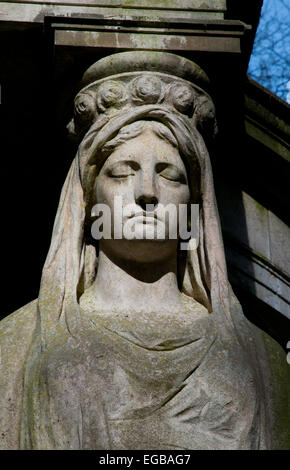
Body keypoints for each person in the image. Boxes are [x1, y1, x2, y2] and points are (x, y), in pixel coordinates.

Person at [0, 51, 289, 450]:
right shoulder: (16, 342)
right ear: (87, 198)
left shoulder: (262, 361)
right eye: (123, 172)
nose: (147, 193)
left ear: (194, 204)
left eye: (169, 175)